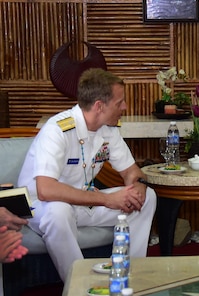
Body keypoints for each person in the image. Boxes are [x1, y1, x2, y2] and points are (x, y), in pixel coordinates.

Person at [17, 68, 157, 281]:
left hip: (83, 201)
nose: (125, 107)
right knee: (58, 211)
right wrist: (108, 199)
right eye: (120, 103)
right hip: (41, 207)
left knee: (147, 198)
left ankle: (127, 273)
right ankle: (78, 284)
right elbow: (45, 190)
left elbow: (131, 171)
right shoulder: (57, 130)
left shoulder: (108, 130)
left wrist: (137, 187)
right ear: (99, 106)